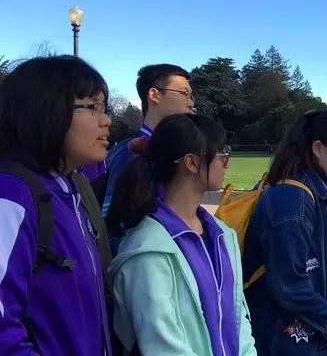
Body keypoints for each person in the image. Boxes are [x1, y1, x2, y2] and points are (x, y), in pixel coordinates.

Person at [106, 113, 256, 355]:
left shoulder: (223, 236)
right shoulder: (147, 253)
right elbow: (163, 346)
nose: (227, 163)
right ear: (191, 163)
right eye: (222, 155)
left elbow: (239, 320)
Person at [0, 56, 113, 354]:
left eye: (104, 108)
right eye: (92, 107)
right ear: (45, 110)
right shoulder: (11, 195)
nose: (106, 121)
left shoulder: (71, 190)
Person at [245, 108, 327, 355]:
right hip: (283, 340)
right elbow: (288, 282)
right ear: (318, 148)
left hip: (303, 335)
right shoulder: (292, 199)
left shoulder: (318, 191)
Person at [101, 64, 193, 216]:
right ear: (154, 95)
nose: (191, 103)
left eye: (191, 96)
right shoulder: (129, 153)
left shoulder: (174, 151)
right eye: (184, 93)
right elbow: (112, 220)